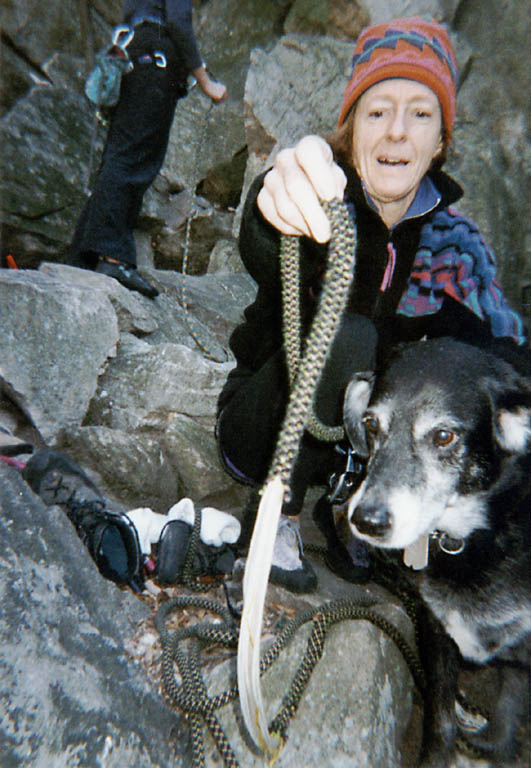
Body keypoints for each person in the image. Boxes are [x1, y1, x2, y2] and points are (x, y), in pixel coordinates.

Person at [216, 16, 530, 593]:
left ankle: (347, 504)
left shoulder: (455, 246)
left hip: (373, 448)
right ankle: (275, 514)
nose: (396, 133)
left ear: (440, 142)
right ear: (351, 128)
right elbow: (266, 243)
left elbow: (504, 350)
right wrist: (273, 199)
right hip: (265, 426)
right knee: (351, 339)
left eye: (420, 113)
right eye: (378, 110)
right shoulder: (320, 202)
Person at [70, 0, 227, 298]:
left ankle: (85, 254)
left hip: (134, 52)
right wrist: (205, 80)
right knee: (135, 161)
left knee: (120, 155)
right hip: (154, 60)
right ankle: (112, 259)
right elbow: (178, 22)